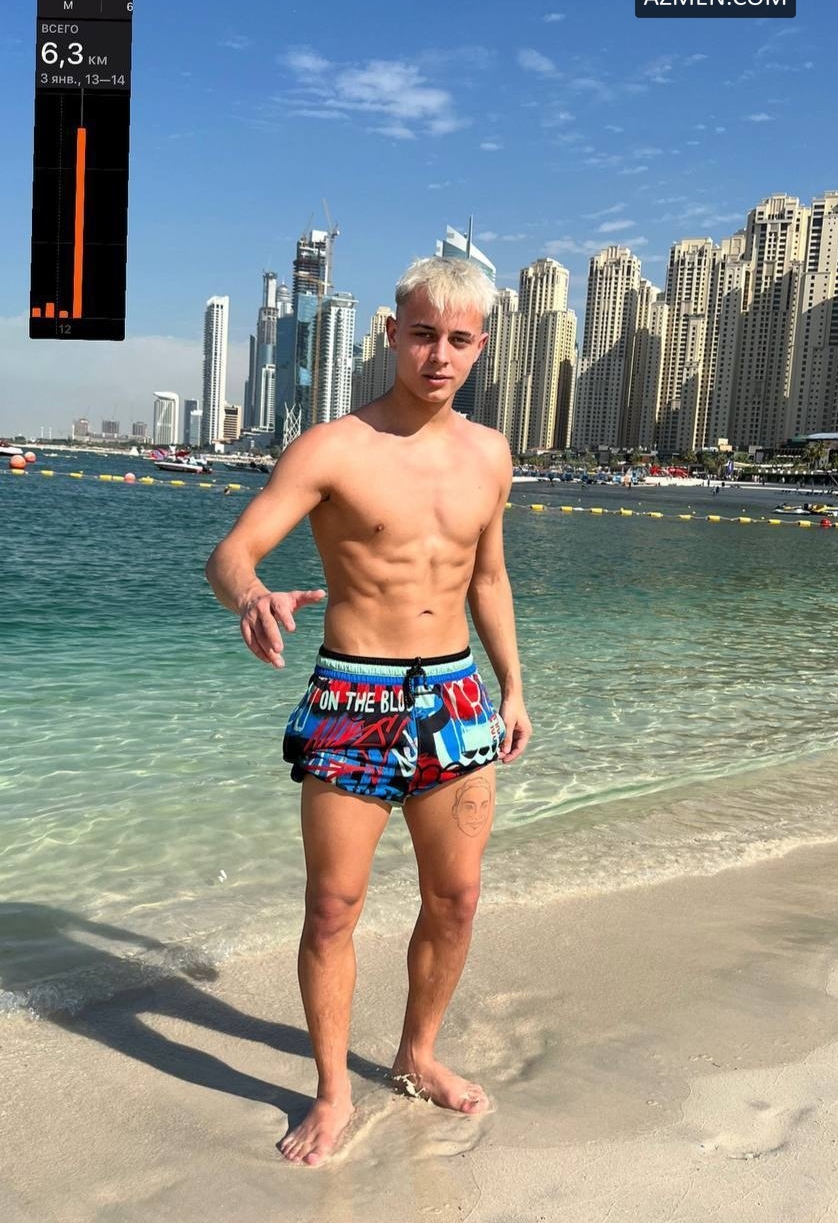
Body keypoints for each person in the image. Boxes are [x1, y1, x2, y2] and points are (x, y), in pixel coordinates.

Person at [205, 257, 532, 1167]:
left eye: (457, 340)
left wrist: (512, 686)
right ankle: (332, 1090)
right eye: (422, 334)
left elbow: (489, 578)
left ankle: (417, 1055)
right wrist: (250, 596)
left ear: (480, 347)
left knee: (456, 900)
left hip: (456, 698)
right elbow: (231, 553)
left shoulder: (491, 453)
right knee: (332, 908)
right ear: (391, 334)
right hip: (354, 696)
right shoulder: (332, 448)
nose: (438, 355)